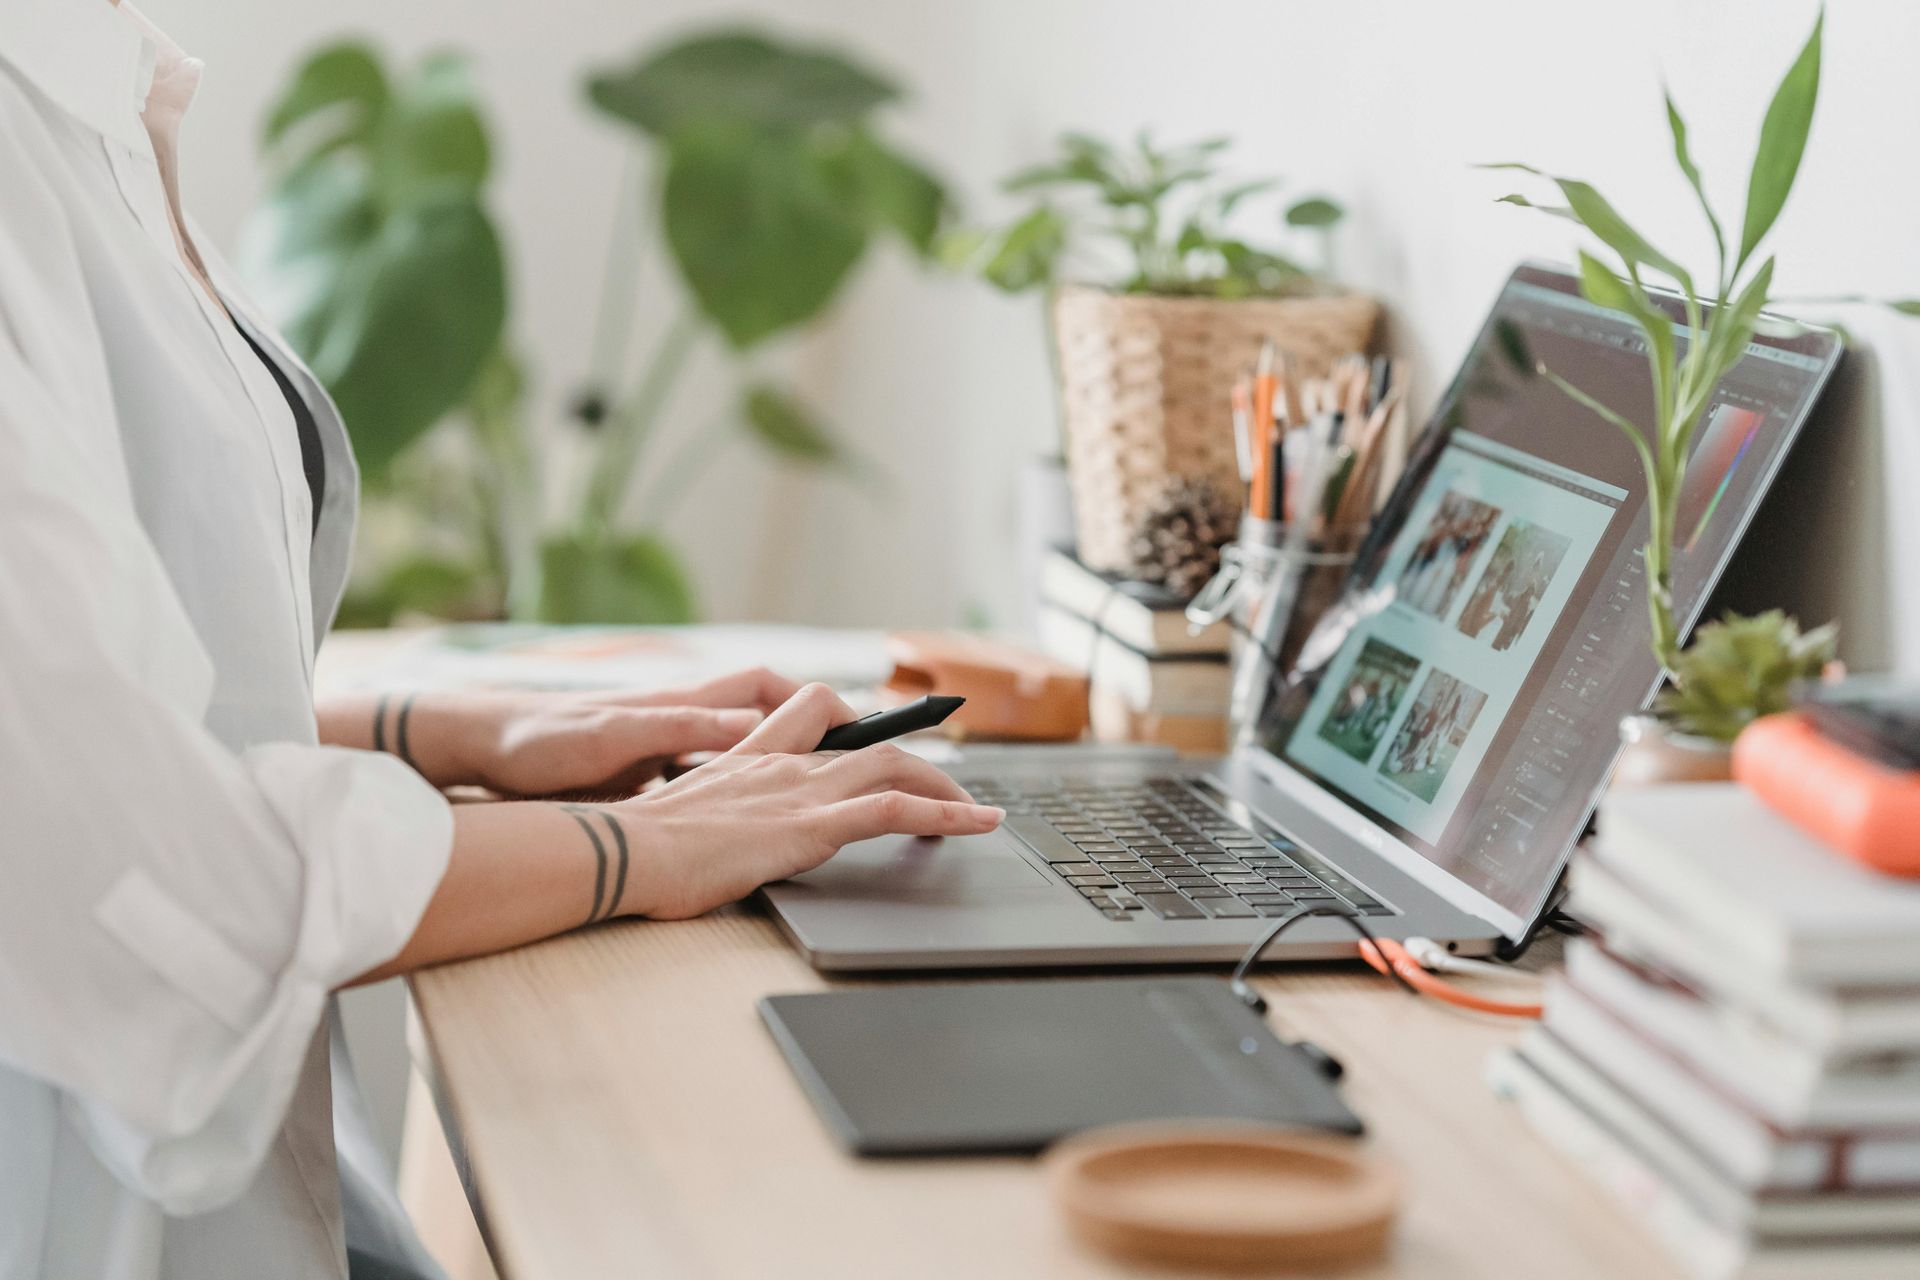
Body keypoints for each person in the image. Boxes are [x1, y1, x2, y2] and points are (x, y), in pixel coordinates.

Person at [0, 4, 1004, 1278]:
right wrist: (650, 842)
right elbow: (158, 895)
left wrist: (455, 731)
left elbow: (77, 718)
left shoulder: (90, 75)